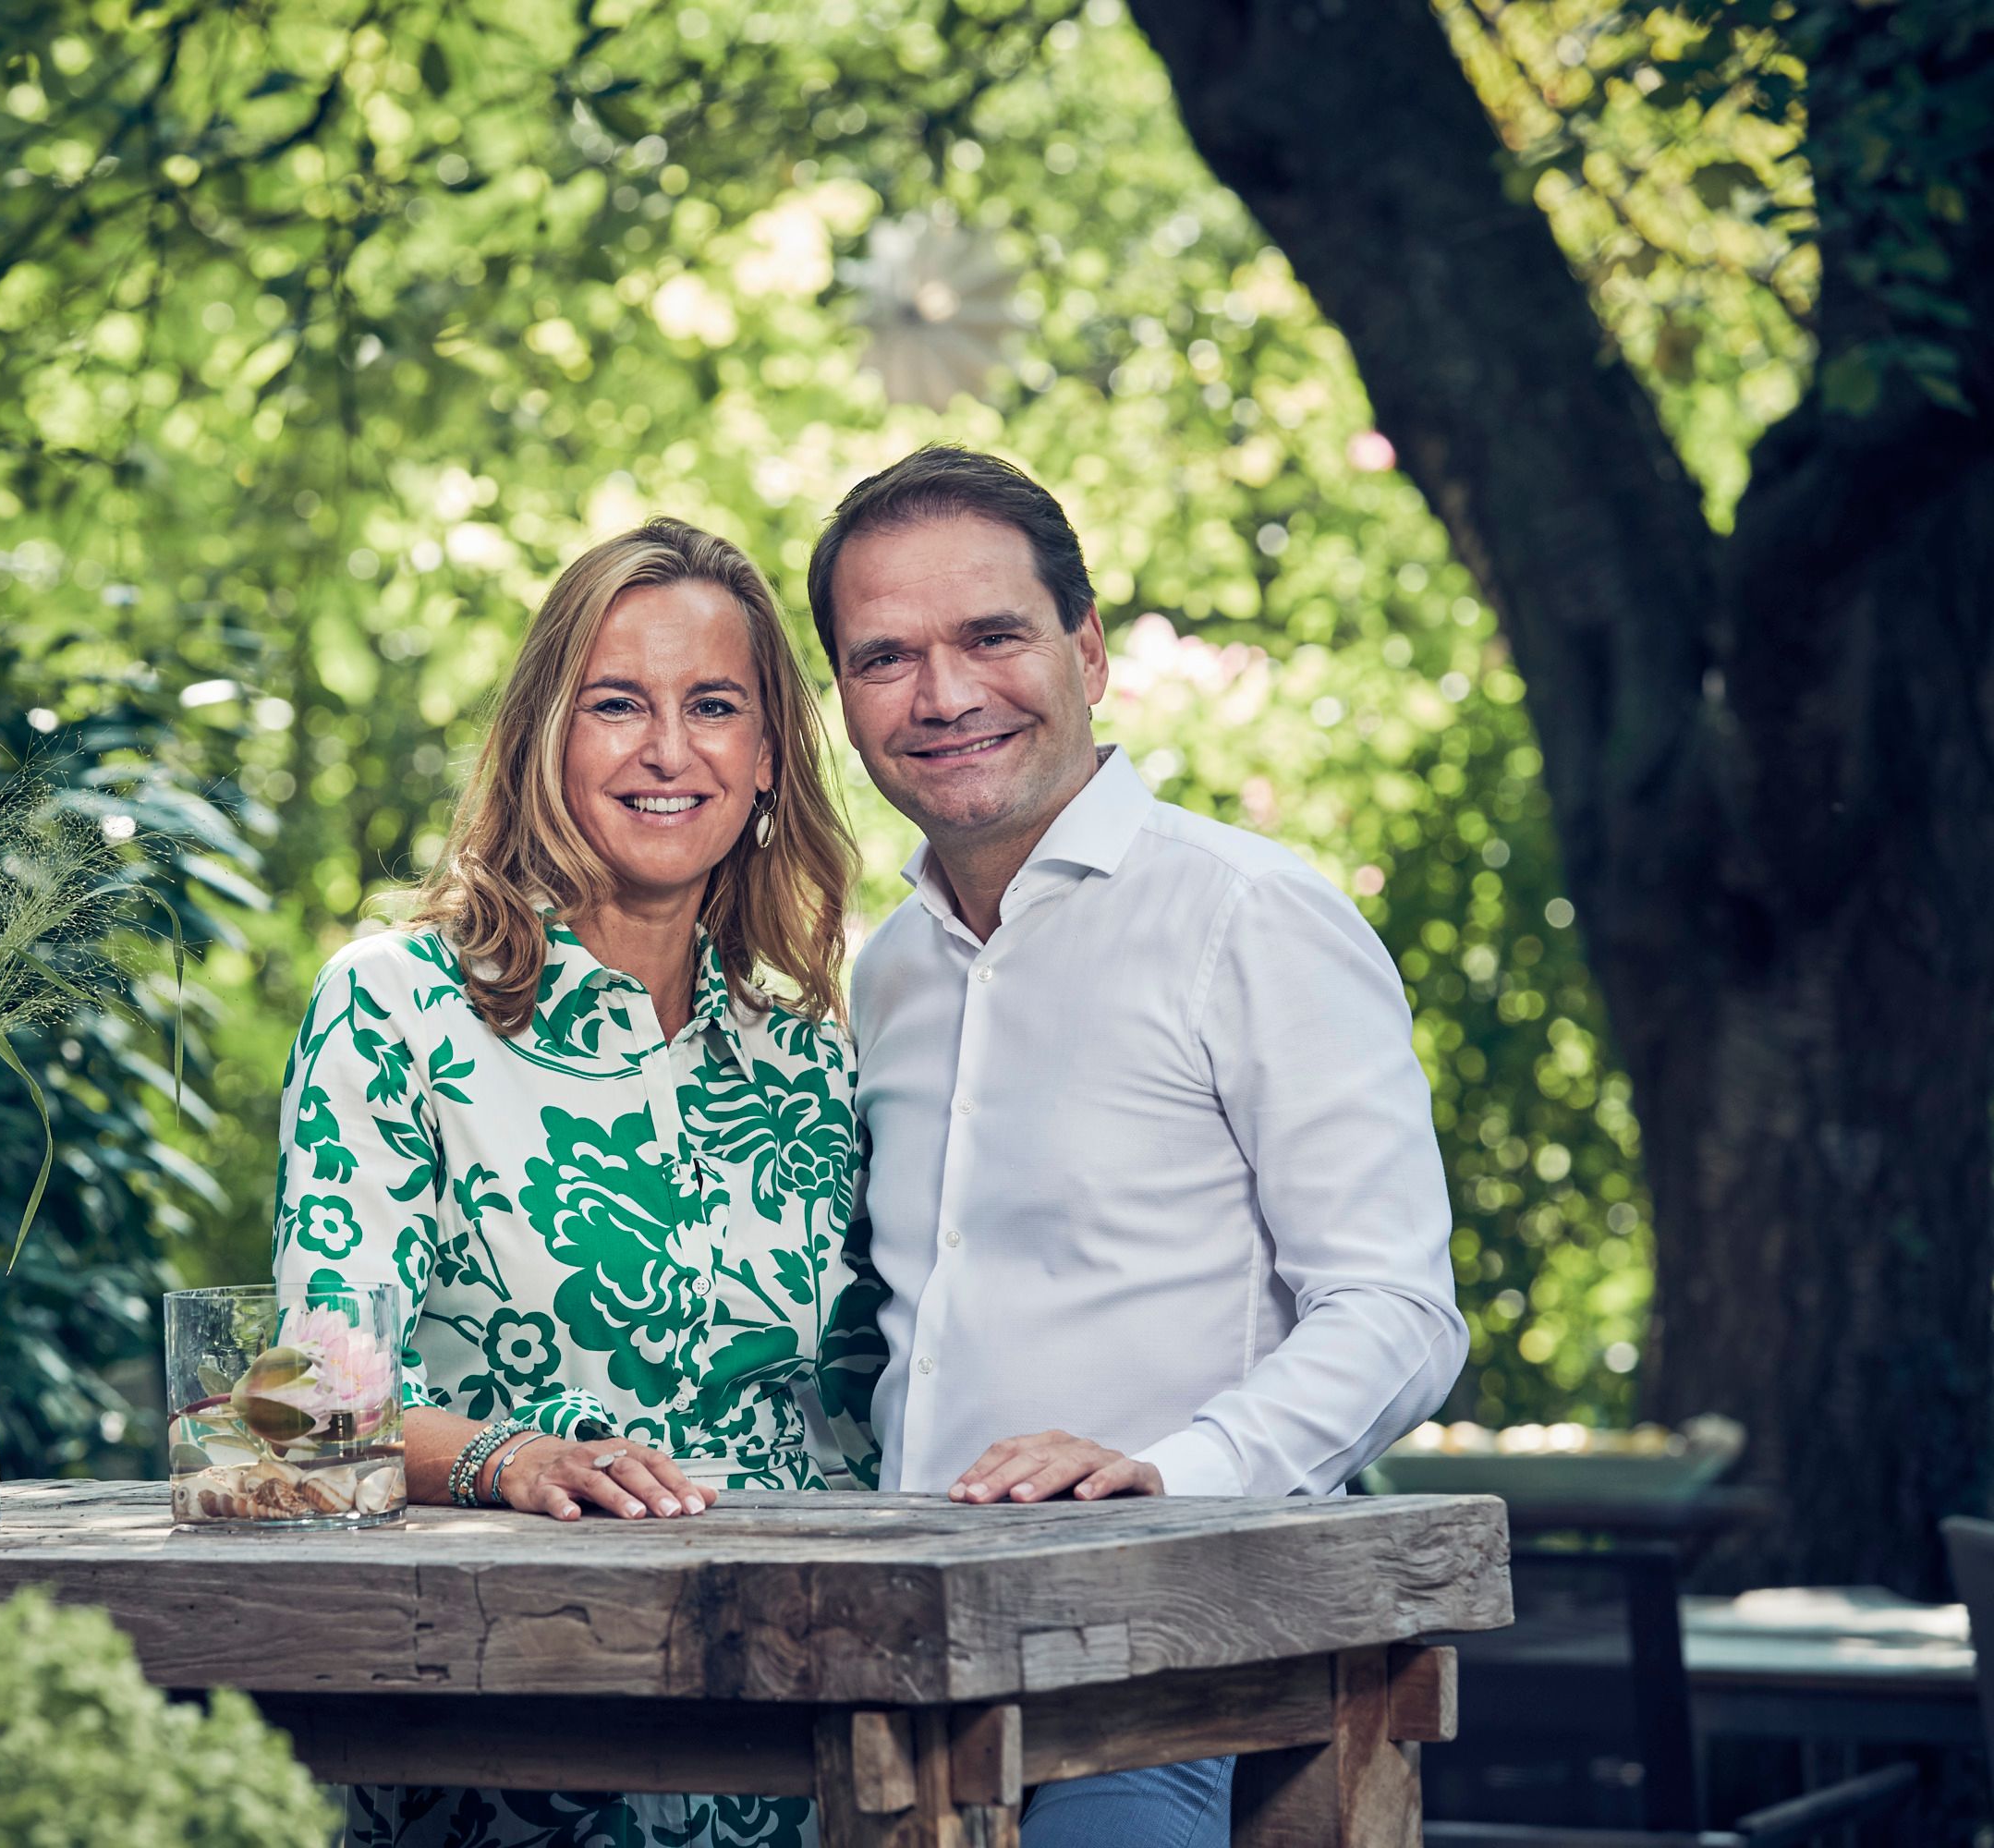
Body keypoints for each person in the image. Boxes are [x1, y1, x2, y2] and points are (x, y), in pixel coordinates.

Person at [809, 445, 1465, 1848]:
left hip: (1174, 1677)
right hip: (902, 1679)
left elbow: (1401, 1315)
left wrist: (1174, 1473)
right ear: (845, 704)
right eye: (886, 657)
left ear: (1087, 650)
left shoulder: (1251, 917)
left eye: (992, 635)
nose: (945, 694)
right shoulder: (890, 977)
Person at [274, 517, 869, 1848]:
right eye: (617, 706)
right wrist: (514, 1460)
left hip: (808, 1754)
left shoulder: (809, 1047)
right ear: (547, 734)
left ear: (769, 754)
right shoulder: (399, 1007)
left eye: (714, 706)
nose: (669, 750)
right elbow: (314, 1396)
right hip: (509, 1743)